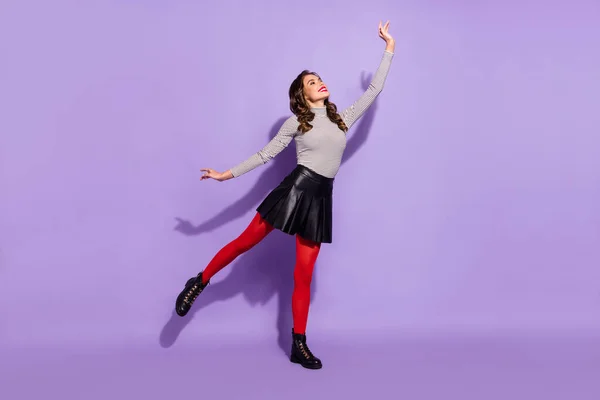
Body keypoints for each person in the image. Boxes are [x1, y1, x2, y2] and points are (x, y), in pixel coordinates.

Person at [175, 21, 395, 370]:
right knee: (244, 242)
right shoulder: (297, 122)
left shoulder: (342, 119)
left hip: (320, 197)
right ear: (303, 95)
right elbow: (265, 155)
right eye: (311, 82)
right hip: (294, 190)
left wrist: (388, 49)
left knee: (303, 276)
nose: (319, 83)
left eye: (318, 78)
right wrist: (223, 175)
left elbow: (374, 91)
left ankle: (298, 345)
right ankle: (198, 282)